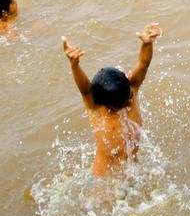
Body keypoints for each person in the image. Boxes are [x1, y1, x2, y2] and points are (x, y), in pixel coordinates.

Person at [62, 23, 163, 177]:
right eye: (116, 107)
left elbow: (143, 64)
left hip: (132, 171)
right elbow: (84, 89)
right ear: (103, 103)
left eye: (128, 99)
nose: (126, 105)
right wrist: (74, 65)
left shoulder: (132, 88)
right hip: (104, 178)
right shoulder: (96, 108)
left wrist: (147, 43)